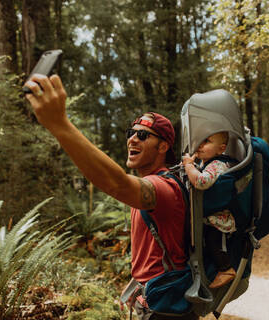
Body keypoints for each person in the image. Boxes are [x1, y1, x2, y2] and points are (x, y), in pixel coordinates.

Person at [23, 74, 198, 320]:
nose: (132, 139)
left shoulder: (163, 189)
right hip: (152, 302)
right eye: (131, 132)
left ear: (163, 147)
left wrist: (60, 124)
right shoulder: (148, 187)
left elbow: (116, 183)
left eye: (143, 135)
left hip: (167, 310)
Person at [182, 132, 236, 289]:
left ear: (221, 149)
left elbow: (201, 181)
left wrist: (188, 166)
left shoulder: (217, 165)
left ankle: (226, 269)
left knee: (214, 242)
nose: (200, 144)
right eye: (199, 139)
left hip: (219, 219)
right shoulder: (205, 164)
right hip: (209, 217)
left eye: (206, 141)